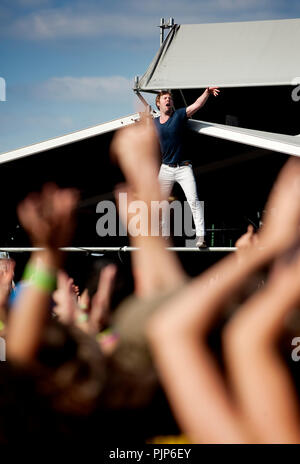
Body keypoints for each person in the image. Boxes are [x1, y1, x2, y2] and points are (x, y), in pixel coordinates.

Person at [154, 88, 219, 248]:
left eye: (170, 98)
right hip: (166, 168)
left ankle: (201, 237)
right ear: (158, 103)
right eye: (165, 98)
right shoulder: (154, 122)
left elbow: (196, 105)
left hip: (184, 167)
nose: (168, 100)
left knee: (193, 201)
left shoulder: (179, 115)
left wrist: (207, 92)